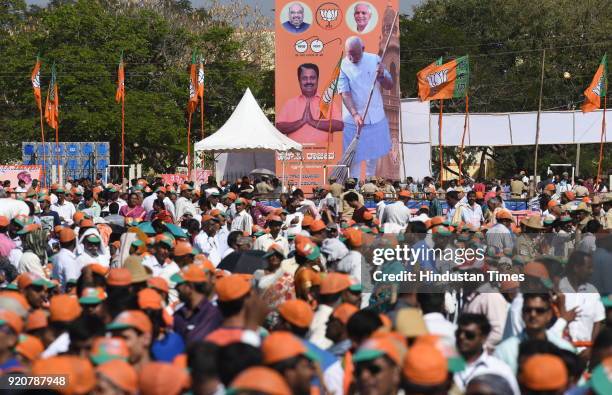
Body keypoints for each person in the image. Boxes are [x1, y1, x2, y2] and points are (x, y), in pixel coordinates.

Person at [338, 36, 393, 180]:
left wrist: (382, 76)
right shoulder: (343, 66)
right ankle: (354, 185)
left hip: (375, 115)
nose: (351, 57)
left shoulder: (374, 59)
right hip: (352, 118)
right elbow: (345, 93)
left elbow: (389, 84)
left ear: (362, 49)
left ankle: (370, 185)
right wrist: (355, 114)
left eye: (355, 54)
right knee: (354, 155)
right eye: (348, 53)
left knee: (372, 156)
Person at [494, 293, 575, 373]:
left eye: (539, 311)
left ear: (549, 314)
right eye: (528, 310)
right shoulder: (504, 351)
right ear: (522, 313)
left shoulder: (564, 348)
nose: (533, 314)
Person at [276, 63, 344, 144]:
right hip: (296, 154)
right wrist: (301, 122)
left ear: (317, 79)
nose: (309, 81)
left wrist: (313, 122)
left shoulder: (328, 101)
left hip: (322, 155)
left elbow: (339, 125)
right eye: (304, 78)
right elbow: (279, 127)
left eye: (312, 78)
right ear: (299, 80)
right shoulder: (289, 104)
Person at [454, 313, 519, 395]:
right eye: (458, 333)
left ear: (483, 337)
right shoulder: (446, 366)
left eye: (469, 335)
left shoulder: (500, 370)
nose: (462, 338)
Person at [558, 251, 605, 351]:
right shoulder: (559, 289)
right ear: (576, 268)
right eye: (588, 268)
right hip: (562, 351)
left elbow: (597, 322)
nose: (591, 271)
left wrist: (590, 348)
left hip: (586, 351)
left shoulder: (593, 291)